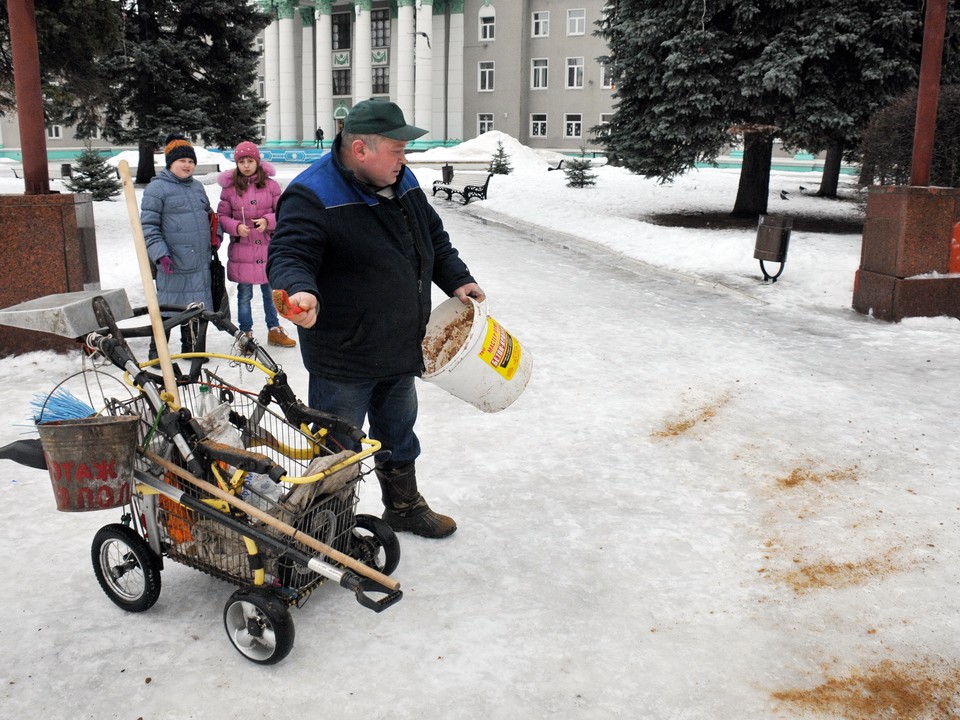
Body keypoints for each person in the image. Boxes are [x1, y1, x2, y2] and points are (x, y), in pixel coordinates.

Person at [268, 99, 485, 539]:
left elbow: (434, 239)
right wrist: (300, 291)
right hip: (346, 354)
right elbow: (290, 253)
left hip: (402, 343)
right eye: (397, 148)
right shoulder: (313, 194)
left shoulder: (402, 181)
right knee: (337, 448)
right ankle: (326, 528)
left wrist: (458, 280)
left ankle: (403, 506)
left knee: (398, 433)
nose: (405, 158)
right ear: (361, 149)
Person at [141, 134, 218, 359]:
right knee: (168, 309)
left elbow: (209, 215)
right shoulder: (157, 189)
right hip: (172, 263)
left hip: (199, 262)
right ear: (170, 163)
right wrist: (159, 254)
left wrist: (216, 235)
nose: (187, 165)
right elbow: (149, 226)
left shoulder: (197, 188)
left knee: (194, 308)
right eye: (182, 161)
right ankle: (157, 354)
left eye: (191, 161)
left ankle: (192, 349)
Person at [216, 141, 296, 349]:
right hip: (243, 251)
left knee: (271, 294)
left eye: (250, 160)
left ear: (257, 162)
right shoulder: (230, 189)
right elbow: (222, 216)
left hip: (268, 250)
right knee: (244, 295)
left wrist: (268, 221)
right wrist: (235, 226)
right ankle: (245, 333)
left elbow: (283, 212)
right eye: (242, 161)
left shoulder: (271, 186)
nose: (246, 165)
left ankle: (274, 329)